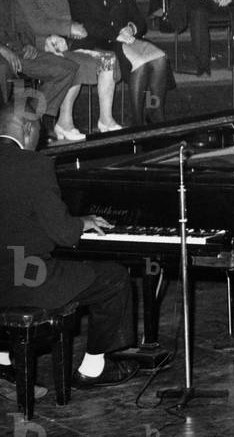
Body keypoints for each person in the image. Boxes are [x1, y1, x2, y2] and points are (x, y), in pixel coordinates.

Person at [0, 103, 137, 388]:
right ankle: (94, 367)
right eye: (40, 128)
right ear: (27, 128)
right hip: (26, 277)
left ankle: (3, 362)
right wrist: (80, 223)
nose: (43, 136)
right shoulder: (34, 164)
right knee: (114, 277)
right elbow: (63, 234)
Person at [13, 0, 122, 138]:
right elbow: (35, 24)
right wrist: (60, 34)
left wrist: (66, 36)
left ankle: (106, 120)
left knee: (109, 59)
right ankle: (64, 122)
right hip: (35, 48)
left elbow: (66, 20)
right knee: (75, 64)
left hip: (62, 46)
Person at [68, 0, 172, 128]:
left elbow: (139, 18)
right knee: (139, 64)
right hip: (99, 42)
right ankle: (138, 121)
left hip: (125, 39)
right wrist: (117, 34)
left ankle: (155, 113)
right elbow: (87, 25)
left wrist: (131, 28)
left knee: (160, 59)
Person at [0, 0, 78, 137]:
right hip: (2, 54)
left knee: (67, 68)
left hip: (17, 49)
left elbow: (21, 22)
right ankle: (6, 132)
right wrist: (3, 50)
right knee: (3, 71)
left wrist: (28, 43)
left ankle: (29, 120)